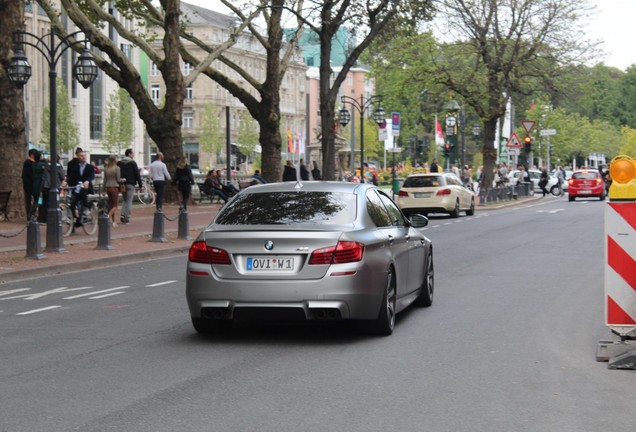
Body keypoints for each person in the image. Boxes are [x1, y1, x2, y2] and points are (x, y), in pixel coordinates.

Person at [66, 149, 95, 227]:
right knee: (71, 203)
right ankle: (76, 219)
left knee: (82, 193)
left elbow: (92, 175)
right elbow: (71, 177)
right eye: (81, 156)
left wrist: (87, 181)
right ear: (78, 157)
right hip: (78, 188)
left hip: (86, 188)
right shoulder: (76, 167)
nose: (83, 157)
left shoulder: (90, 167)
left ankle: (86, 210)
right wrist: (66, 182)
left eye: (84, 156)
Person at [117, 148, 142, 224]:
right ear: (129, 154)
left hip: (122, 184)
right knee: (129, 200)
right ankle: (127, 217)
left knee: (125, 199)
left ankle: (122, 214)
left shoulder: (119, 163)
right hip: (130, 183)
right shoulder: (133, 163)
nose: (133, 154)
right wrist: (140, 184)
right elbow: (137, 174)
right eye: (132, 153)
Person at [37, 155, 65, 224]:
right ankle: (53, 218)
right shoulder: (58, 166)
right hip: (55, 186)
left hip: (46, 186)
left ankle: (43, 219)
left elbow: (43, 177)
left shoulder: (46, 166)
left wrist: (41, 188)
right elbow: (62, 176)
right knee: (55, 203)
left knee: (45, 203)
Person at [103, 155, 124, 227]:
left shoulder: (106, 168)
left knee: (111, 205)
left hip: (108, 187)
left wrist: (103, 189)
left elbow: (104, 180)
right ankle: (107, 217)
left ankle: (114, 221)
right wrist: (123, 180)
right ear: (115, 160)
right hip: (114, 187)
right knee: (115, 206)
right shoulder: (117, 168)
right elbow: (118, 180)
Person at [21, 148, 36, 220]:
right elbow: (27, 175)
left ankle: (31, 214)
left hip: (29, 185)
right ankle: (30, 214)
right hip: (29, 185)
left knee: (33, 200)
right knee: (30, 200)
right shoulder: (28, 163)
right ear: (32, 155)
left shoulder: (28, 163)